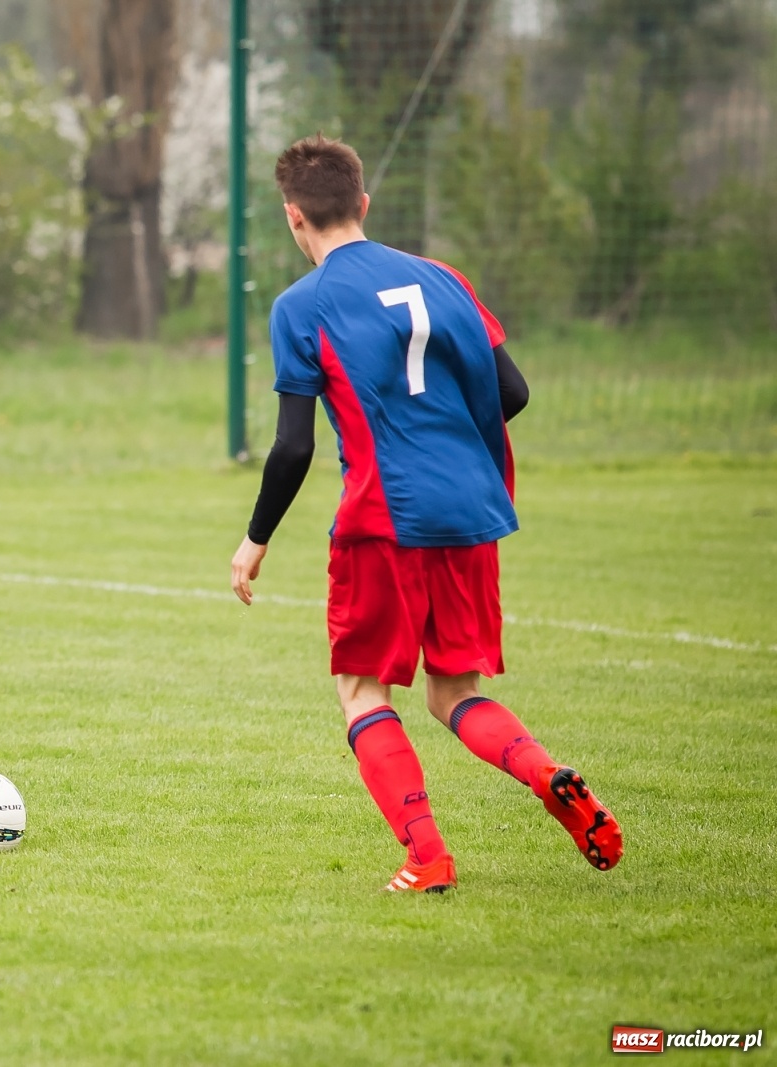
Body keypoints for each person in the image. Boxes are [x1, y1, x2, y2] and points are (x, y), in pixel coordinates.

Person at [230, 135, 622, 892]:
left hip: (383, 514)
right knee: (455, 692)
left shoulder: (300, 306)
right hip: (470, 509)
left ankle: (427, 857)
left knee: (361, 690)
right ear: (364, 204)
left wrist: (255, 540)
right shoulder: (444, 279)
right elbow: (514, 394)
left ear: (293, 218)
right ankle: (548, 775)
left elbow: (291, 448)